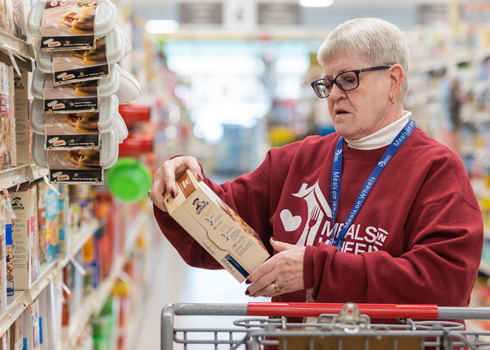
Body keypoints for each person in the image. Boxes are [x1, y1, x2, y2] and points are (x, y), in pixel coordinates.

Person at [151, 18, 483, 314]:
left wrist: (317, 269)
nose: (335, 95)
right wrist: (179, 188)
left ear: (394, 81)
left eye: (349, 79)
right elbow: (215, 235)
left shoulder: (436, 170)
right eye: (327, 84)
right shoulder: (295, 161)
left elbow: (444, 284)